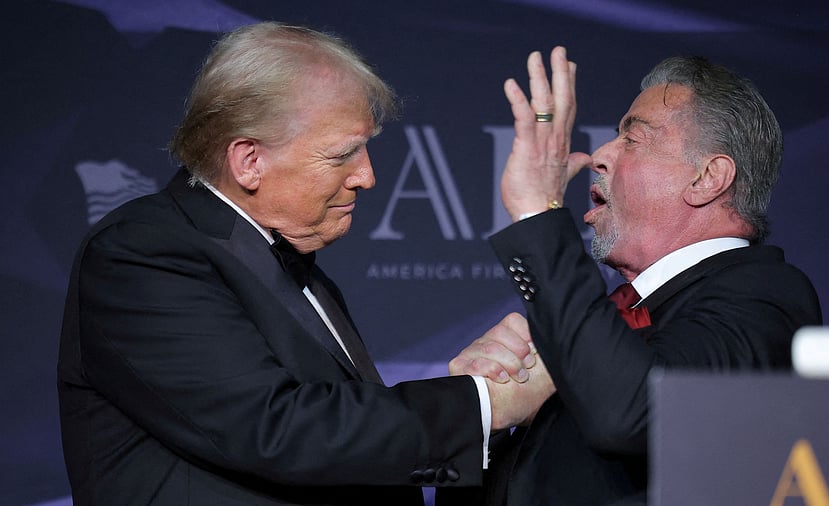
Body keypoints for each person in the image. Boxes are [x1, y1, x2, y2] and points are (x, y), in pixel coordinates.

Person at [56, 22, 553, 505]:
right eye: (342, 155)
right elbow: (273, 429)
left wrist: (473, 409)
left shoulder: (290, 261)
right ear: (249, 160)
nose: (367, 176)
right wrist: (482, 404)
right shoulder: (142, 253)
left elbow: (343, 459)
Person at [446, 48, 822, 505]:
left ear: (708, 178)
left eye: (633, 138)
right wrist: (486, 423)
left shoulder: (765, 295)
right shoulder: (600, 330)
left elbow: (631, 415)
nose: (600, 154)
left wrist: (537, 213)